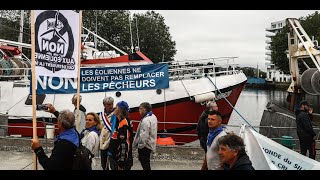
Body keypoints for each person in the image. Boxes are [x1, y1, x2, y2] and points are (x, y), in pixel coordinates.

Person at [108, 101, 133, 170]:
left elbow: (124, 145)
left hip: (121, 161)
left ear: (119, 109)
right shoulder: (119, 122)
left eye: (115, 107)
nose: (114, 109)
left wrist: (121, 163)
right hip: (116, 157)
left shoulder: (124, 124)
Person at [133, 102, 158, 170]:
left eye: (140, 109)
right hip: (151, 143)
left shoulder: (145, 120)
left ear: (144, 109)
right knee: (147, 162)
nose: (139, 111)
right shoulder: (153, 116)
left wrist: (140, 146)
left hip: (145, 146)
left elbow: (144, 135)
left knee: (144, 162)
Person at [99, 96, 117, 170]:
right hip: (103, 143)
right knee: (104, 165)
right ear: (104, 105)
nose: (111, 106)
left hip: (111, 141)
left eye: (111, 104)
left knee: (113, 164)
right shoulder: (101, 115)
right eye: (108, 104)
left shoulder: (115, 114)